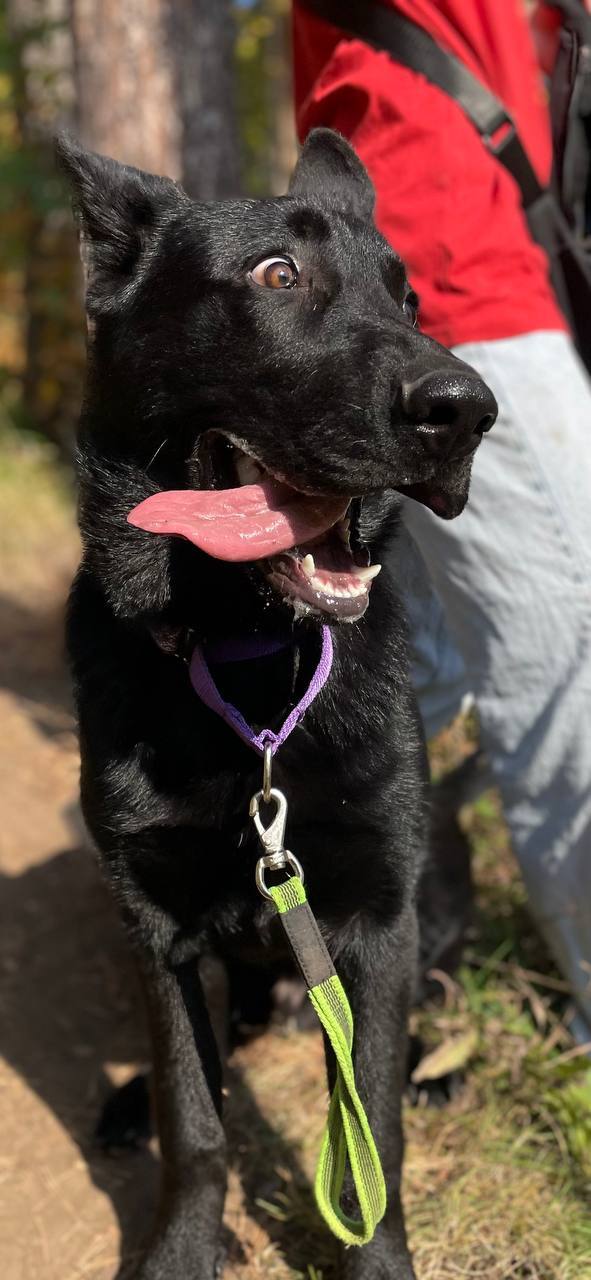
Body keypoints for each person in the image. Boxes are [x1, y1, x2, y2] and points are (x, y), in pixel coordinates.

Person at [293, 0, 591, 1042]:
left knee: (391, 667)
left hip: (429, 246)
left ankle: (327, 940)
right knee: (568, 656)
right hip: (458, 260)